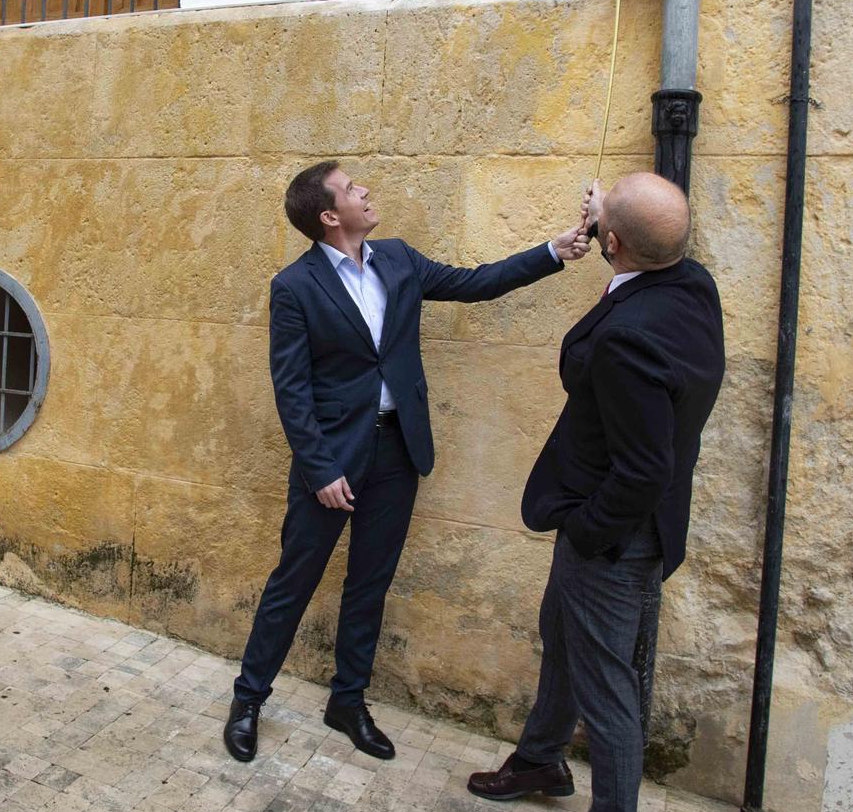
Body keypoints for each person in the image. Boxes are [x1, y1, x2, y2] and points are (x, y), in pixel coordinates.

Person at [225, 161, 592, 764]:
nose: (365, 191)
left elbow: (477, 283)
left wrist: (552, 251)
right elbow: (291, 388)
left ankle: (348, 701)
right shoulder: (295, 286)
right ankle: (247, 700)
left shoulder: (397, 258)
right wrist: (319, 470)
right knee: (293, 582)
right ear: (328, 214)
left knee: (370, 581)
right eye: (351, 189)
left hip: (397, 449)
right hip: (333, 460)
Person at [466, 173, 725, 812]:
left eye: (603, 214)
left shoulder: (627, 338)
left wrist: (587, 528)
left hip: (613, 536)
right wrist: (611, 222)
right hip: (616, 524)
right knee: (562, 633)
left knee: (611, 691)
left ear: (613, 244)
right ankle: (541, 757)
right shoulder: (688, 282)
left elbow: (645, 466)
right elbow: (638, 247)